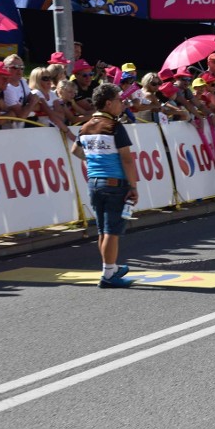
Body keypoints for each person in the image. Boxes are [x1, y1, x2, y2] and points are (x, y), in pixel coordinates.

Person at [70, 83, 138, 288]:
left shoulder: (86, 126)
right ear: (108, 103)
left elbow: (75, 150)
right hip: (114, 183)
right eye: (119, 100)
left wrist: (92, 160)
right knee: (112, 231)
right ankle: (109, 274)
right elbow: (127, 159)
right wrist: (133, 187)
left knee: (102, 230)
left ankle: (110, 267)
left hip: (94, 183)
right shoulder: (115, 127)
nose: (122, 103)